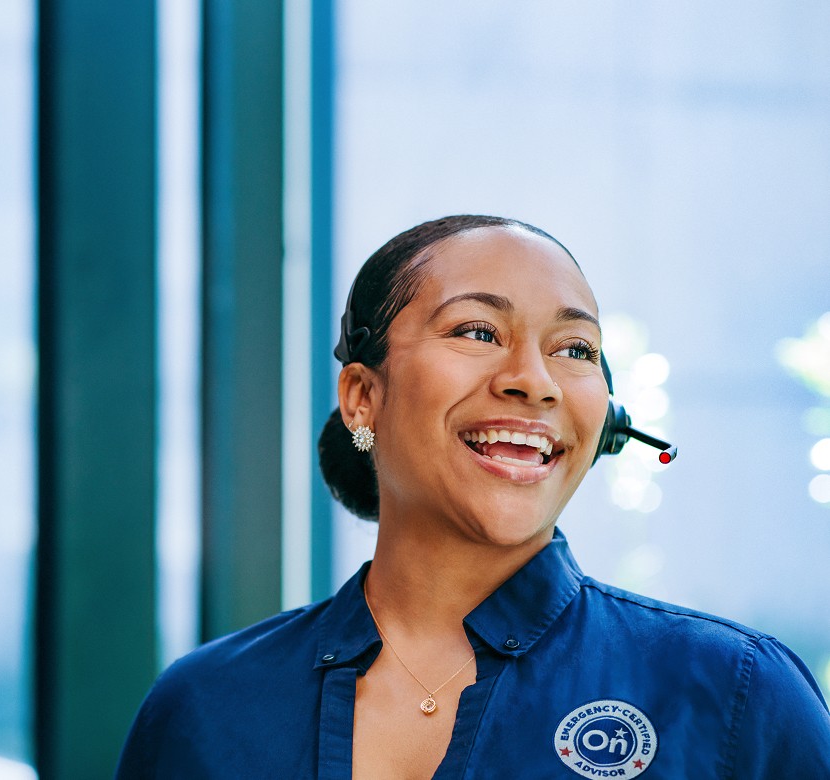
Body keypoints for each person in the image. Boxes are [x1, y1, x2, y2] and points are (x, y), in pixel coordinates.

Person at [115, 215, 830, 778]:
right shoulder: (206, 707)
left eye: (575, 349)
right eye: (478, 332)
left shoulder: (737, 694)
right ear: (363, 397)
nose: (536, 381)